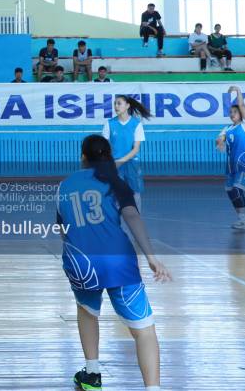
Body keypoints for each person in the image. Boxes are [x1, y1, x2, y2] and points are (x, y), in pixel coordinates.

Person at [58, 134, 171, 391]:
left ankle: (92, 374)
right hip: (118, 262)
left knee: (87, 311)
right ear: (108, 156)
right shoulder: (116, 182)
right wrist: (151, 258)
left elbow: (63, 230)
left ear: (82, 157)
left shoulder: (64, 185)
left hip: (81, 263)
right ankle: (153, 388)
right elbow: (132, 216)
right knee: (144, 330)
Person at [101, 96, 151, 209]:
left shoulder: (136, 124)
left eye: (119, 103)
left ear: (127, 106)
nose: (116, 106)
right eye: (115, 104)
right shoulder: (109, 124)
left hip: (131, 163)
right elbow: (104, 147)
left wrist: (121, 161)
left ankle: (136, 217)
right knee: (115, 194)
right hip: (115, 164)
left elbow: (136, 149)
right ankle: (116, 218)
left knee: (135, 194)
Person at [216, 86, 245, 231]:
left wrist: (237, 91)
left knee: (237, 190)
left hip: (244, 163)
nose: (232, 114)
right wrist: (220, 141)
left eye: (235, 112)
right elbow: (220, 137)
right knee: (231, 192)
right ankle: (241, 219)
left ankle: (244, 220)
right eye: (230, 112)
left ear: (241, 114)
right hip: (231, 166)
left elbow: (242, 105)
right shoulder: (227, 128)